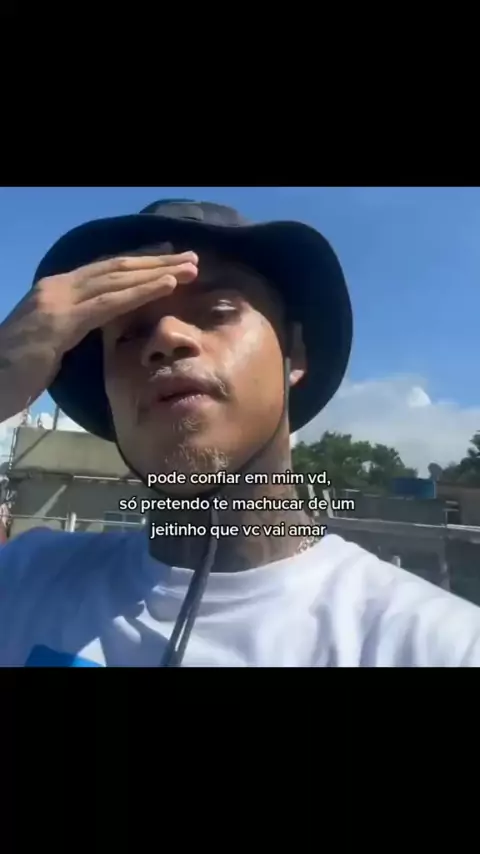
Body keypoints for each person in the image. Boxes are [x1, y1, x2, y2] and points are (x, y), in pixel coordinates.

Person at [0, 198, 480, 667]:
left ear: (295, 353)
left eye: (218, 310)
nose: (166, 338)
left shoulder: (439, 646)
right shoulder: (23, 581)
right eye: (129, 334)